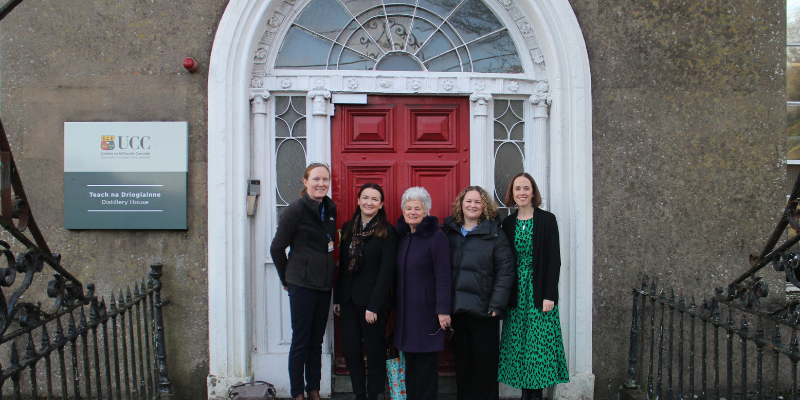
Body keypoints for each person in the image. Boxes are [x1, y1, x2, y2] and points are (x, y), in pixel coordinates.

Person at [498, 172, 569, 400]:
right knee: (519, 347)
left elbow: (553, 260)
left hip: (539, 294)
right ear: (512, 193)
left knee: (538, 349)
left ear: (533, 192)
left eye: (526, 188)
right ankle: (524, 395)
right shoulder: (507, 223)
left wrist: (550, 294)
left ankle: (535, 396)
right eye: (517, 188)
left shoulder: (548, 220)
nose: (522, 193)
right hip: (516, 295)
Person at [269, 162, 337, 400]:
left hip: (324, 285)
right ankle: (297, 393)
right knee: (301, 341)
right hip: (302, 285)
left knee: (316, 342)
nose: (321, 184)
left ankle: (313, 390)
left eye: (325, 179)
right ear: (305, 182)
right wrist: (287, 278)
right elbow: (277, 248)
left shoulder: (330, 209)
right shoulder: (295, 209)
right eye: (316, 179)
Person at [441, 186, 514, 400]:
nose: (472, 205)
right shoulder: (449, 232)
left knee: (486, 367)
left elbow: (506, 271)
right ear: (461, 204)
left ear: (484, 207)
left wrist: (496, 305)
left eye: (477, 202)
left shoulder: (494, 234)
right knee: (463, 367)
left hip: (484, 312)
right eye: (468, 201)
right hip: (458, 310)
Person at [333, 183, 397, 400]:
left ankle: (374, 394)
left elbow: (387, 272)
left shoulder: (387, 231)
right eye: (366, 197)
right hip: (348, 300)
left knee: (375, 351)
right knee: (351, 350)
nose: (369, 202)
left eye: (375, 199)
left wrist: (374, 305)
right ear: (359, 200)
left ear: (381, 205)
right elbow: (342, 265)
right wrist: (338, 298)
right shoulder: (348, 227)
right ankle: (359, 393)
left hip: (373, 303)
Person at [394, 187, 451, 400]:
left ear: (426, 211)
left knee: (426, 368)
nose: (412, 212)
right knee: (410, 365)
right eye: (408, 208)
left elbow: (443, 276)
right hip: (406, 314)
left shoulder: (437, 238)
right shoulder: (401, 237)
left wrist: (443, 310)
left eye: (417, 208)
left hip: (428, 313)